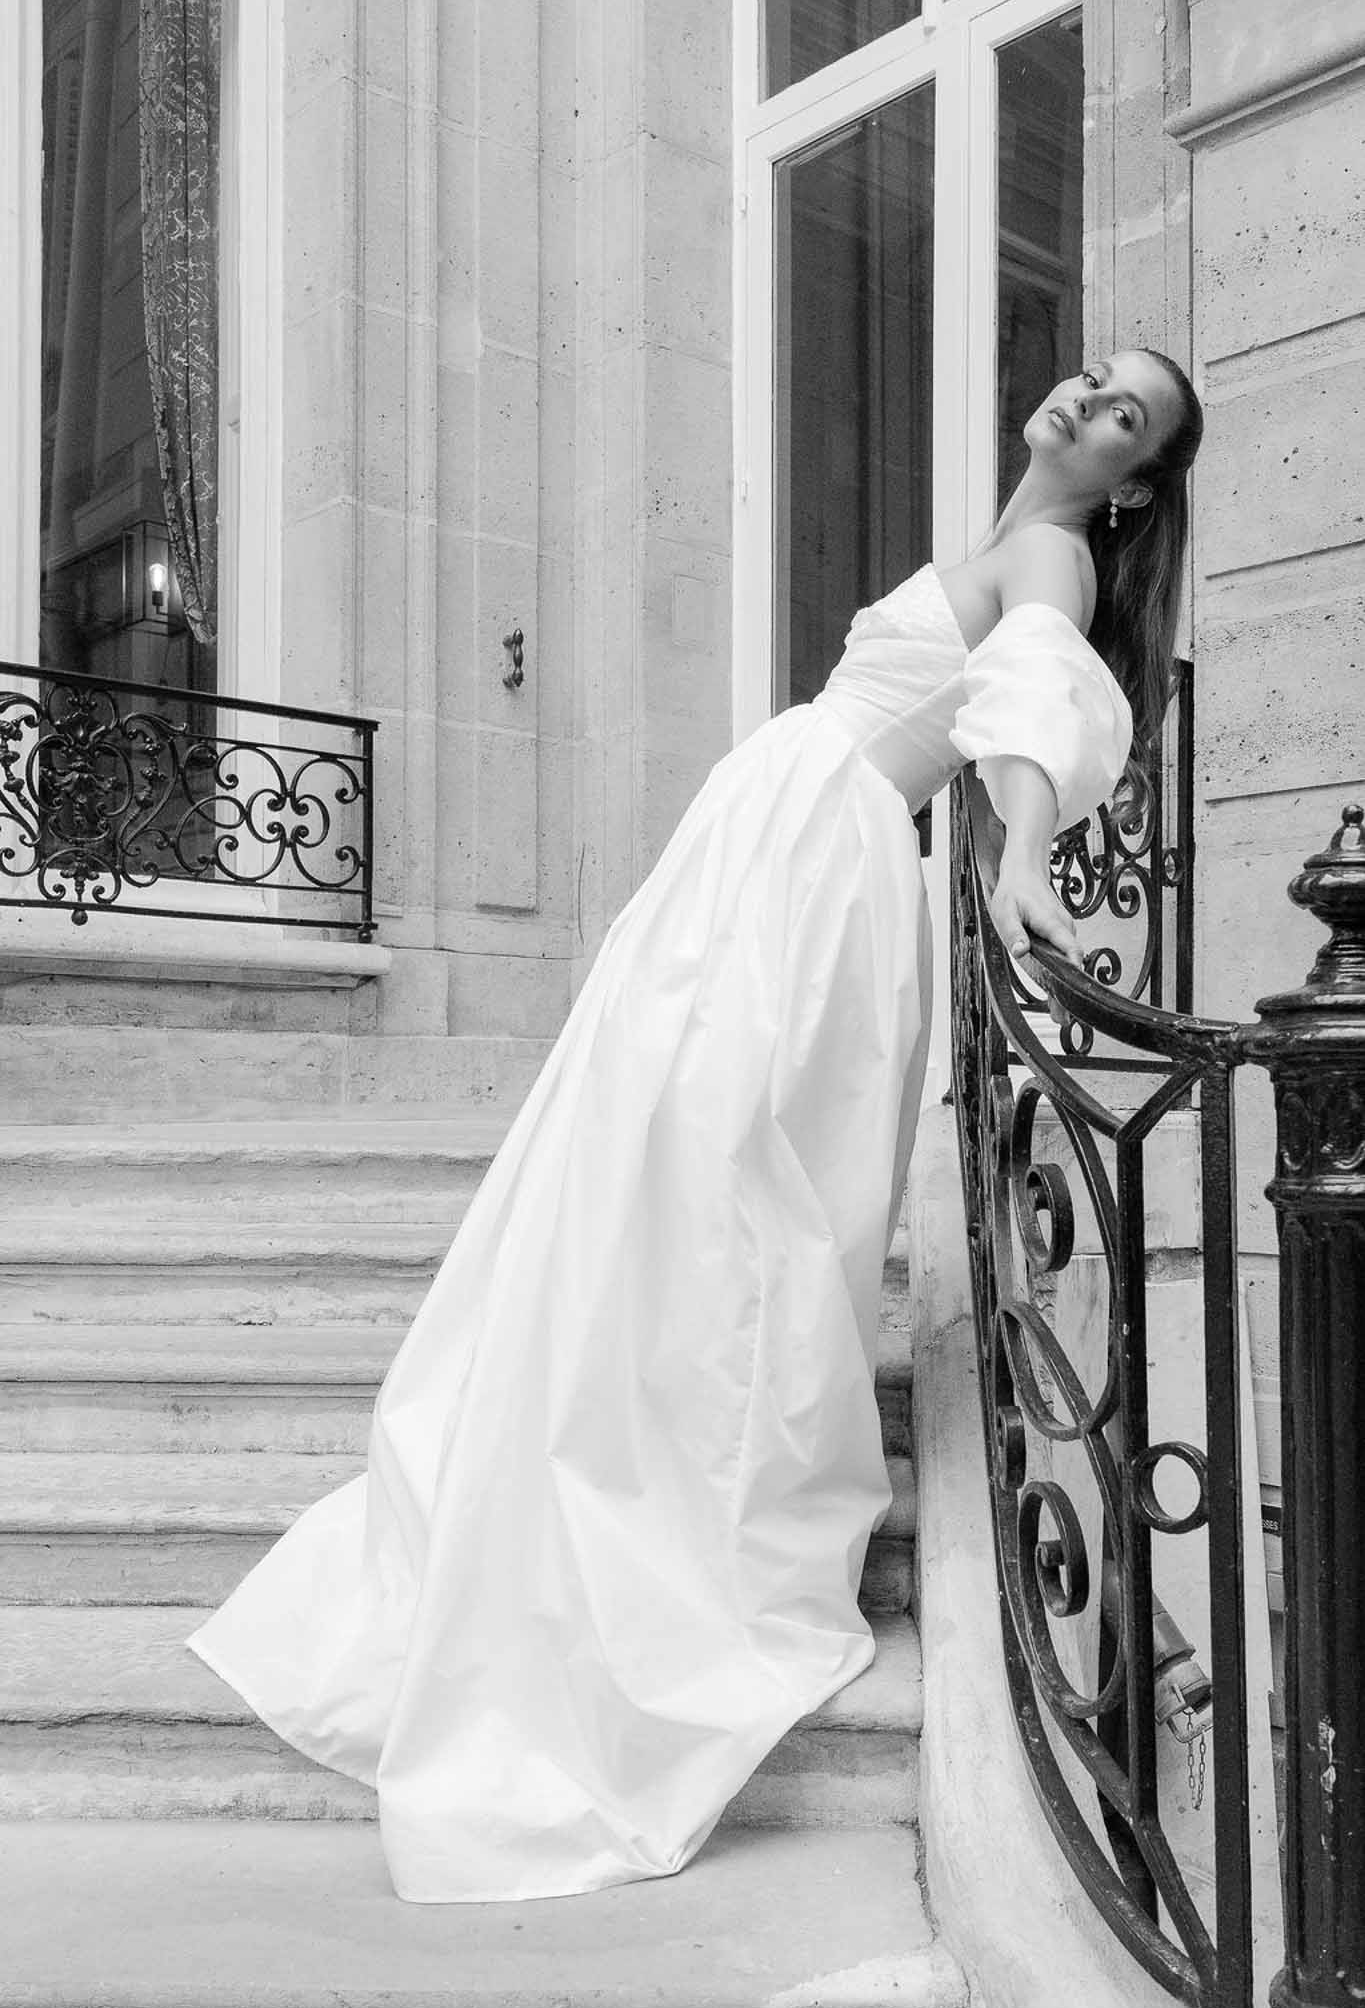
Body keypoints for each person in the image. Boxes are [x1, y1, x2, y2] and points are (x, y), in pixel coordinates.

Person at [187, 348, 1204, 1903]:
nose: (1080, 402)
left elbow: (1042, 682)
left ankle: (657, 1532)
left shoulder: (1050, 553)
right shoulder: (1010, 529)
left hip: (814, 867)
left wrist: (1019, 852)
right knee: (639, 1172)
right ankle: (578, 1463)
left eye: (1120, 414)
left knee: (709, 1188)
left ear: (1132, 482)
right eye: (1086, 378)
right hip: (773, 843)